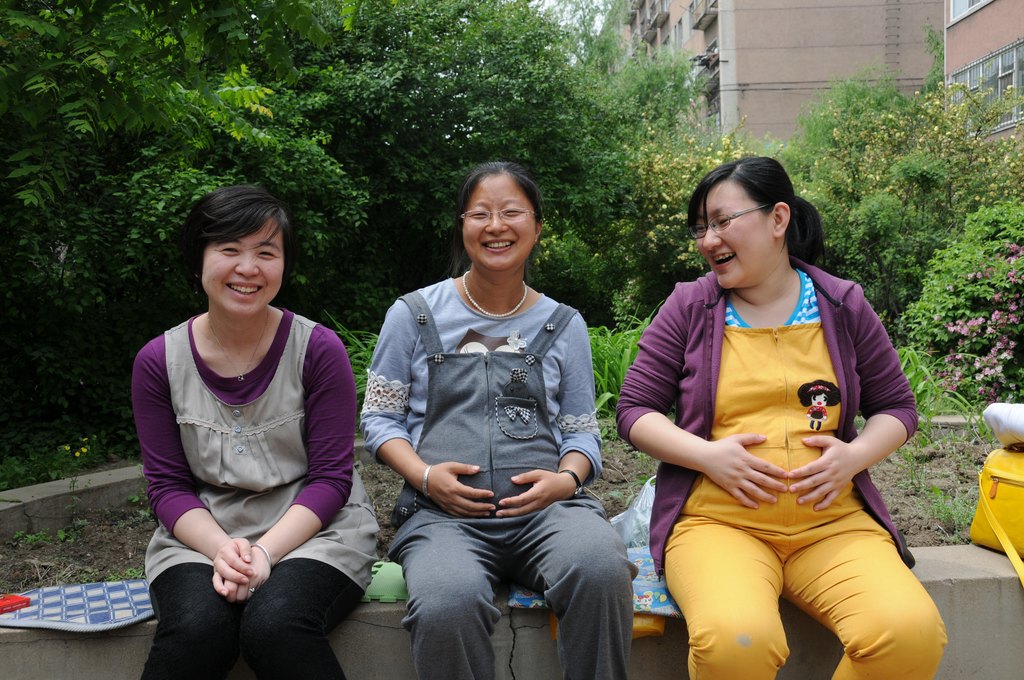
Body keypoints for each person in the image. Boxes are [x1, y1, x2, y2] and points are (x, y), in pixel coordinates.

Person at [616, 157, 947, 679]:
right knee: (737, 642)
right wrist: (708, 456)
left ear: (778, 219)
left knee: (909, 633)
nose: (708, 240)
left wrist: (854, 455)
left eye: (722, 221)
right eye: (701, 228)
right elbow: (634, 410)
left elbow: (898, 408)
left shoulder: (842, 304)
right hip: (717, 524)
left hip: (833, 525)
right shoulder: (691, 306)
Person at [360, 161, 635, 680]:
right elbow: (379, 418)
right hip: (441, 519)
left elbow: (581, 430)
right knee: (447, 602)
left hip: (551, 514)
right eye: (480, 213)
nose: (496, 226)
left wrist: (566, 480)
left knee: (601, 569)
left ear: (537, 226)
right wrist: (425, 477)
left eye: (512, 212)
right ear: (462, 225)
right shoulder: (413, 314)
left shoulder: (564, 323)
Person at [132, 185, 378, 680]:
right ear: (198, 259)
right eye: (229, 249)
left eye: (266, 253)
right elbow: (168, 487)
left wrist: (265, 552)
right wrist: (223, 550)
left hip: (317, 531)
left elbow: (331, 478)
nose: (248, 268)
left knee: (277, 626)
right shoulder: (158, 361)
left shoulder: (319, 350)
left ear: (284, 265)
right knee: (196, 630)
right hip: (202, 533)